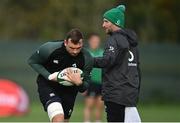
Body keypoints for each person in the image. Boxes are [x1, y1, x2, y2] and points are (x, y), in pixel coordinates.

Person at [28, 28, 93, 122]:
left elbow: (84, 87)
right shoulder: (50, 48)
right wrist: (49, 76)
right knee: (58, 118)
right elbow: (33, 61)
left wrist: (79, 83)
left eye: (78, 48)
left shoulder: (87, 58)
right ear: (66, 42)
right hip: (49, 86)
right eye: (72, 48)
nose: (75, 51)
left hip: (70, 91)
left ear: (82, 43)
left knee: (65, 120)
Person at [93, 5, 141, 122]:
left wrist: (88, 60)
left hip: (115, 94)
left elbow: (107, 60)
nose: (103, 25)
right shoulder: (133, 43)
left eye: (106, 21)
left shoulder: (113, 39)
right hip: (130, 94)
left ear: (116, 22)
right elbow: (137, 70)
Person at [83, 33, 104, 122]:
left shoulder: (103, 53)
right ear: (90, 41)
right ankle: (87, 121)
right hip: (90, 83)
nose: (95, 43)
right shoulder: (86, 53)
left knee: (100, 105)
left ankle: (98, 121)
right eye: (93, 41)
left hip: (102, 83)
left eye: (97, 41)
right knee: (89, 105)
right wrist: (84, 85)